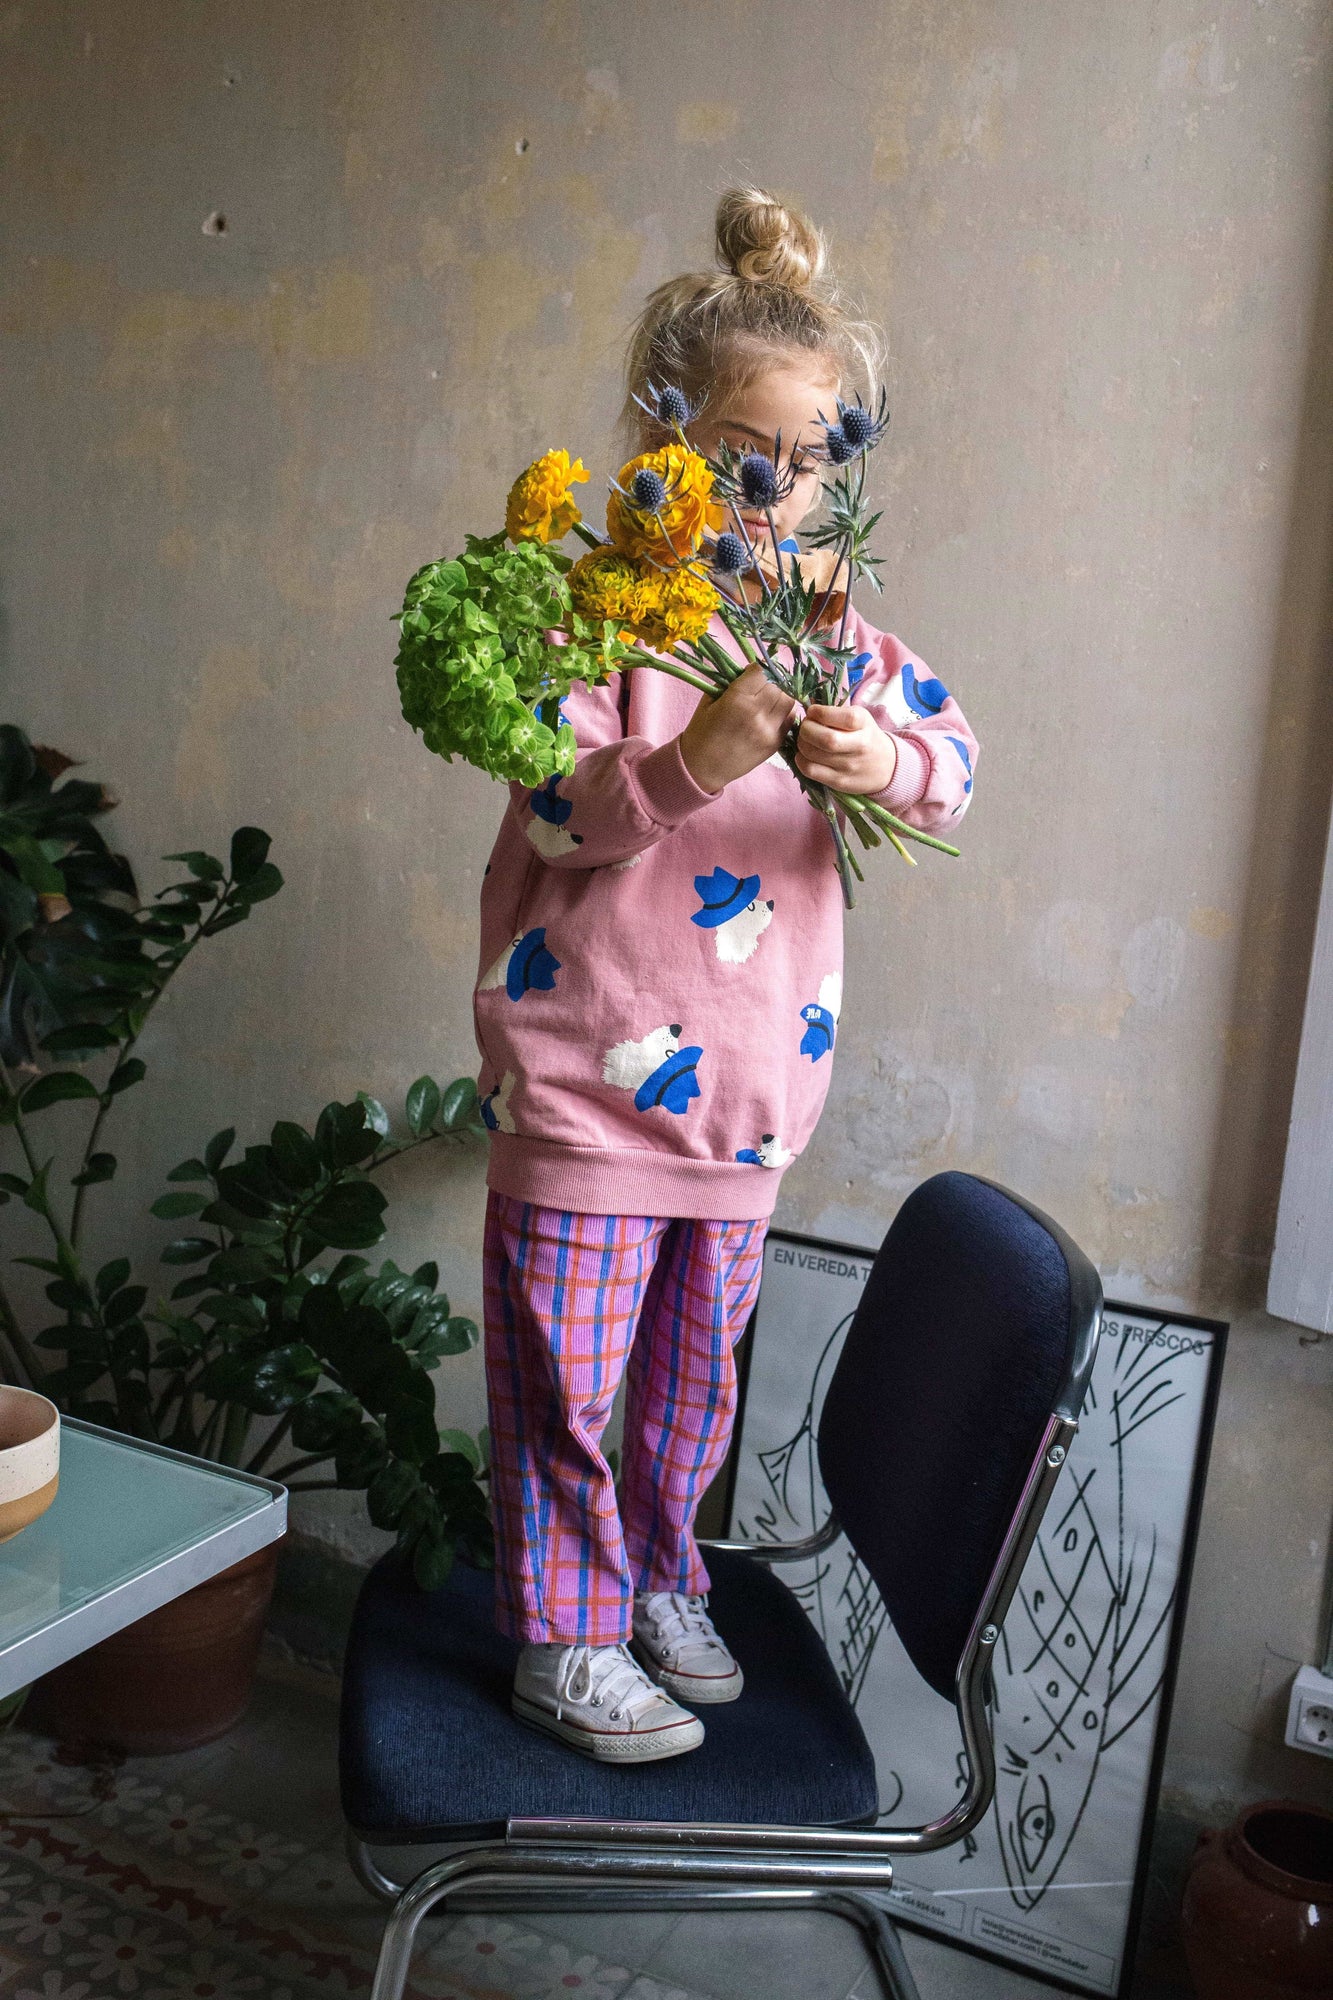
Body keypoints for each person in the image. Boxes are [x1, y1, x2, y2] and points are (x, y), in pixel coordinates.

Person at [474, 185, 979, 1763]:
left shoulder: (840, 639)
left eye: (815, 463)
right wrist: (692, 754)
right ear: (667, 446)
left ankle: (657, 1579)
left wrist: (878, 757)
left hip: (750, 1112)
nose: (783, 494)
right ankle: (562, 1636)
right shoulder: (599, 626)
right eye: (748, 460)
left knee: (691, 1394)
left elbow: (953, 768)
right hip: (585, 1093)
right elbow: (555, 810)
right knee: (566, 1390)